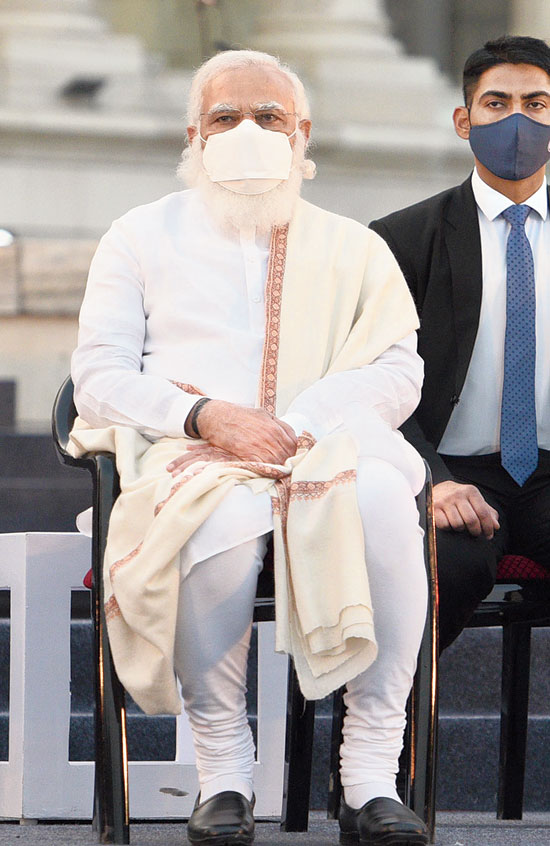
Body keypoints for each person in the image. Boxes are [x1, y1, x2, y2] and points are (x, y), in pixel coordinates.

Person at [71, 49, 429, 846]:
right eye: (226, 117)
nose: (248, 132)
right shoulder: (138, 235)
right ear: (193, 134)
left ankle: (371, 776)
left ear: (302, 134)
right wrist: (203, 417)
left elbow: (399, 366)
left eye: (269, 117)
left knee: (376, 495)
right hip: (190, 452)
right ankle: (223, 774)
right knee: (218, 516)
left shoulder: (353, 247)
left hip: (328, 447)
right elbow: (96, 377)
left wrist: (304, 423)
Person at [370, 35, 550, 651]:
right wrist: (430, 479)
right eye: (497, 103)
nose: (518, 119)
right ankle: (379, 744)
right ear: (463, 119)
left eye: (537, 102)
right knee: (428, 577)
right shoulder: (401, 239)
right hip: (452, 475)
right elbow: (371, 381)